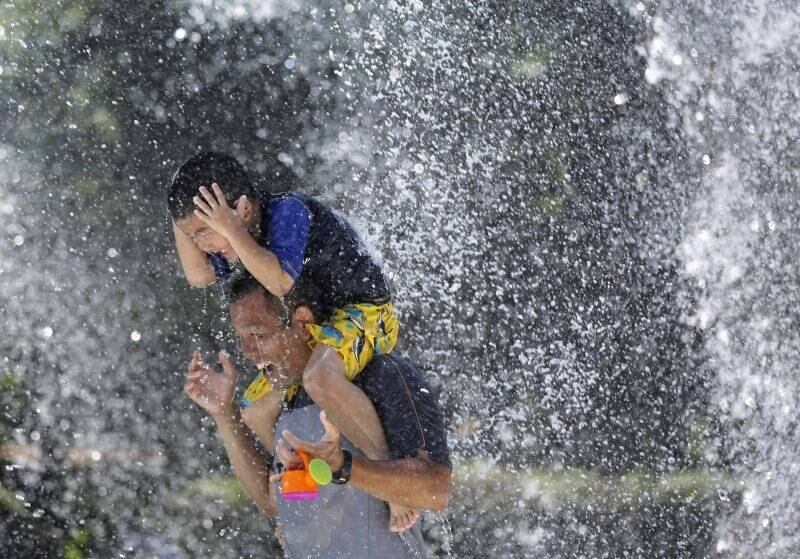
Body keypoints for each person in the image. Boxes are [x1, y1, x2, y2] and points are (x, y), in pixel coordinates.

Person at [167, 151, 415, 528]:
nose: (201, 247)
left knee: (319, 377)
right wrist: (178, 210)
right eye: (192, 237)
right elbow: (199, 276)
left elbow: (280, 281)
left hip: (365, 312)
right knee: (255, 408)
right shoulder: (237, 235)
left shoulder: (288, 211)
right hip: (316, 328)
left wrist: (230, 230)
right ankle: (294, 486)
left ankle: (390, 479)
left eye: (203, 233)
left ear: (243, 210)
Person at [183, 275, 451, 557]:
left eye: (258, 335)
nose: (247, 352)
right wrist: (224, 413)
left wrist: (343, 467)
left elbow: (436, 490)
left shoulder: (381, 375)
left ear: (302, 324)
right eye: (242, 339)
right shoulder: (283, 402)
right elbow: (272, 504)